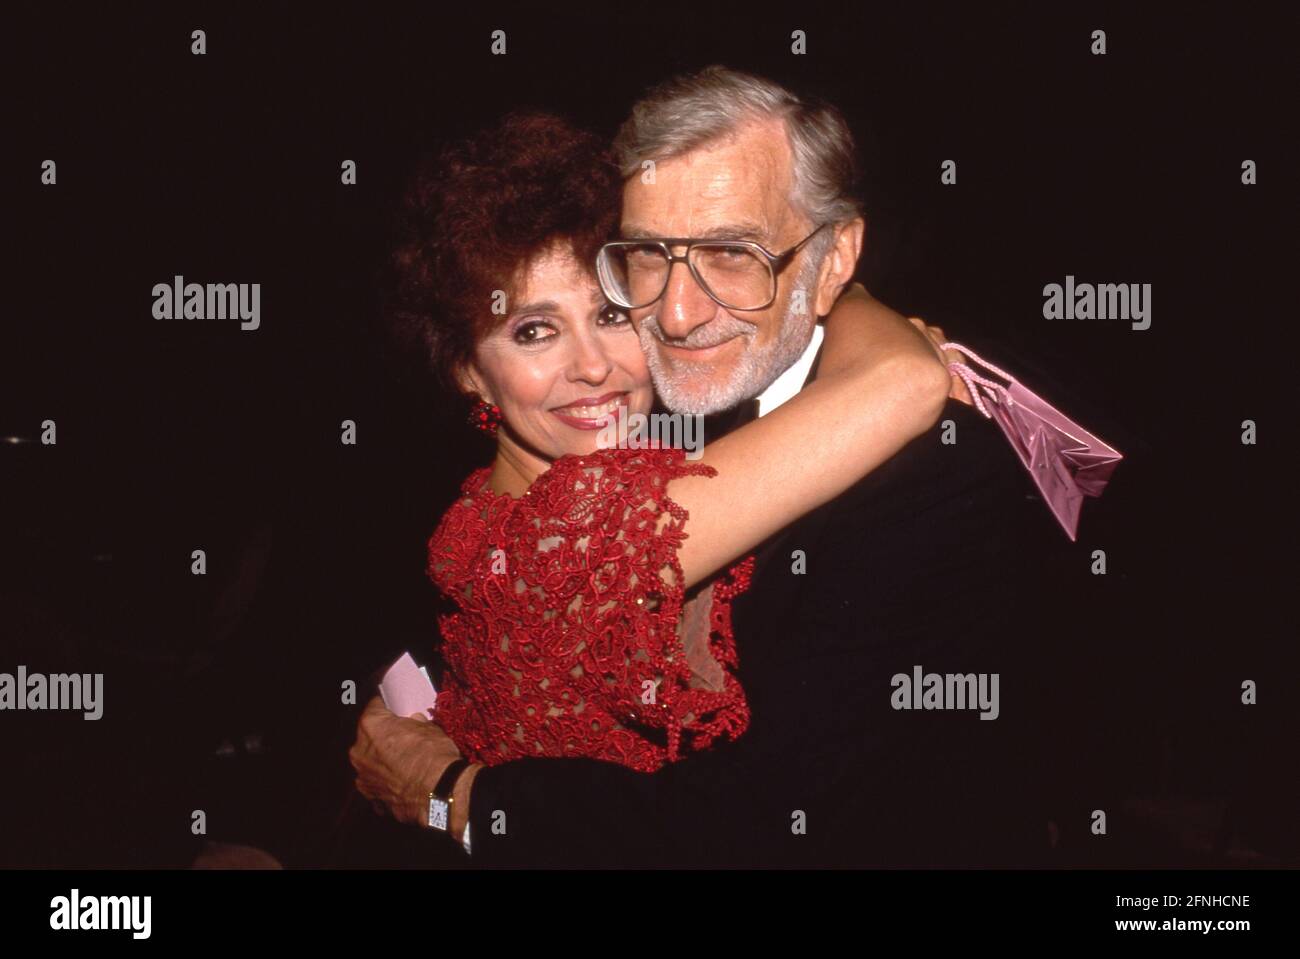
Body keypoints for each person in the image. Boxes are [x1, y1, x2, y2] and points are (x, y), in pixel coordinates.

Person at [353, 67, 1074, 867]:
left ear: (833, 258)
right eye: (649, 258)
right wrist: (454, 798)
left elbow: (803, 822)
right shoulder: (560, 522)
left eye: (731, 253)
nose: (676, 312)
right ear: (465, 369)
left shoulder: (935, 485)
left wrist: (454, 793)